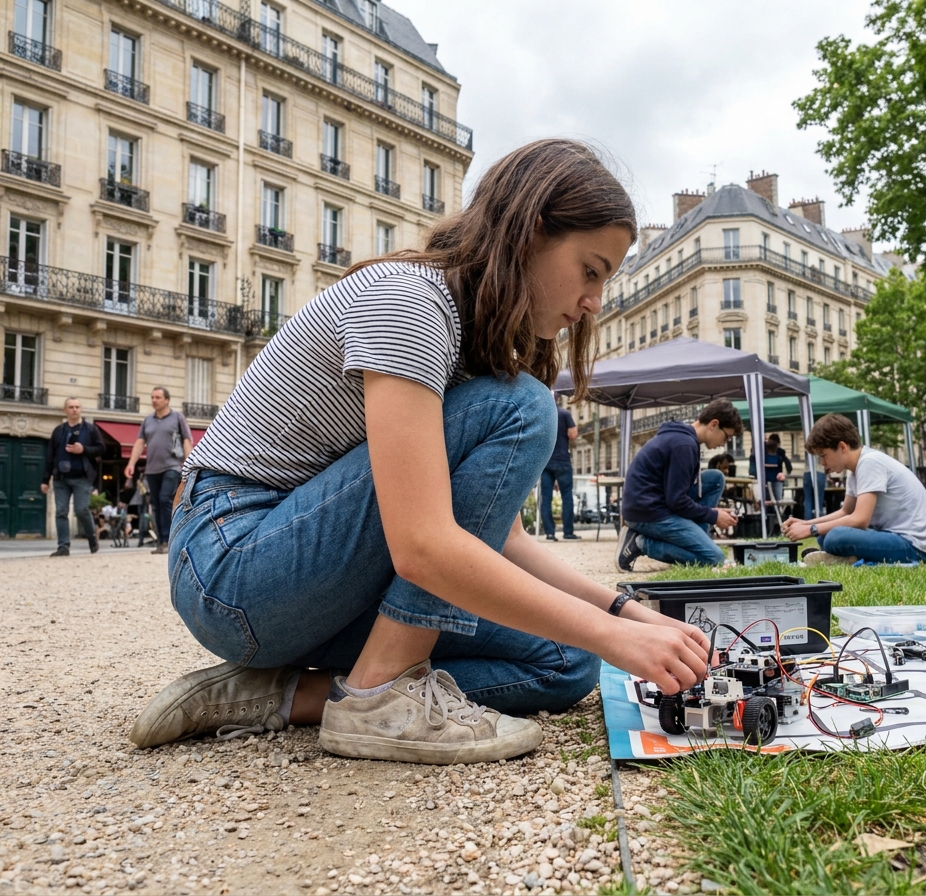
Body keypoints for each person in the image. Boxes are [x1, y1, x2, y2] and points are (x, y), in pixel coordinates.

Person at [130, 139, 711, 767]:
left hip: (295, 584)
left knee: (567, 660)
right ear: (529, 231)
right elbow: (424, 545)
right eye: (590, 270)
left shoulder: (467, 338)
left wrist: (624, 614)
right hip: (233, 565)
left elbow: (503, 541)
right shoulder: (411, 302)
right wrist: (617, 634)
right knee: (522, 408)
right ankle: (379, 694)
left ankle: (288, 693)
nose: (594, 300)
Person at [782, 414, 926, 565]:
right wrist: (806, 523)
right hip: (897, 537)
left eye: (823, 455)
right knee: (824, 537)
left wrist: (811, 529)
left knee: (835, 537)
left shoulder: (869, 463)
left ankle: (848, 557)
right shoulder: (856, 469)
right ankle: (848, 558)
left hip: (917, 548)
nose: (822, 462)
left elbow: (860, 520)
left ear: (842, 447)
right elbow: (846, 512)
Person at [615, 399, 743, 571]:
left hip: (653, 503)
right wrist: (713, 516)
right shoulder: (684, 445)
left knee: (715, 478)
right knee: (715, 558)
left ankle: (698, 540)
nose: (723, 443)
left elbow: (675, 495)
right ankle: (640, 543)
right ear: (714, 424)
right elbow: (676, 501)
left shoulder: (683, 439)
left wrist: (713, 514)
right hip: (647, 513)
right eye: (726, 437)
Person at [124, 388, 192, 554]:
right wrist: (131, 463)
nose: (154, 400)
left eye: (158, 397)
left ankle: (169, 540)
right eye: (152, 397)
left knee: (164, 499)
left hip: (172, 466)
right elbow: (140, 442)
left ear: (167, 400)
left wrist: (189, 464)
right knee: (155, 505)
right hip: (152, 469)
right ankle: (161, 541)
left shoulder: (177, 418)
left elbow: (187, 440)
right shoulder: (148, 420)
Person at [40, 397, 104, 557]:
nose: (74, 409)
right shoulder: (59, 431)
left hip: (82, 477)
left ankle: (92, 539)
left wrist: (83, 449)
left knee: (81, 510)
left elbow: (101, 448)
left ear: (80, 409)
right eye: (71, 407)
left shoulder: (90, 429)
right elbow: (50, 456)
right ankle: (63, 546)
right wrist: (45, 480)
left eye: (77, 407)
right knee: (61, 511)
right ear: (65, 410)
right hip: (61, 478)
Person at [540, 400, 578, 541]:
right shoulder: (564, 413)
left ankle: (550, 533)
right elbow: (573, 435)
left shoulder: (543, 414)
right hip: (562, 460)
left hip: (546, 461)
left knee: (546, 498)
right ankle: (568, 532)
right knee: (567, 497)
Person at [748, 434, 793, 507]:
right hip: (773, 479)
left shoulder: (771, 452)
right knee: (776, 500)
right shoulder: (778, 452)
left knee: (769, 500)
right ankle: (775, 513)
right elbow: (787, 464)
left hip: (768, 479)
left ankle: (769, 514)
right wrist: (787, 471)